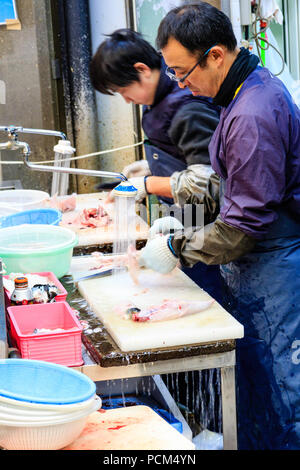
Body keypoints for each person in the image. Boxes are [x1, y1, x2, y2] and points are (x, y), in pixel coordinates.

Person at [138, 2, 300, 450]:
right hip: (259, 262)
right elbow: (238, 182)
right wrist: (182, 190)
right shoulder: (243, 90)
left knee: (283, 392)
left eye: (182, 72)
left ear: (214, 55)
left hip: (273, 264)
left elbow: (242, 226)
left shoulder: (251, 112)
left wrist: (177, 246)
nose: (180, 84)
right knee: (258, 386)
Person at [89, 28, 222, 302]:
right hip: (184, 215)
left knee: (206, 298)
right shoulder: (160, 97)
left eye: (124, 90)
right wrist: (149, 167)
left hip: (209, 223)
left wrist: (146, 184)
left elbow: (210, 181)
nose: (126, 100)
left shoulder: (187, 108)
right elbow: (185, 155)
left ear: (143, 69)